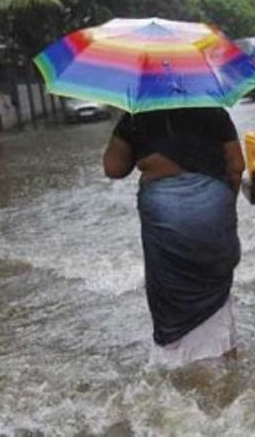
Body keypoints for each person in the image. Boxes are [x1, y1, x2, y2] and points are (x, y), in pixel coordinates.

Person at [103, 108, 244, 368]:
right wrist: (225, 205)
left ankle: (176, 368)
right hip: (214, 209)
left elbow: (113, 168)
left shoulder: (136, 117)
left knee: (171, 292)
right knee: (215, 292)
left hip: (164, 216)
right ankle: (224, 359)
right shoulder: (214, 112)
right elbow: (236, 166)